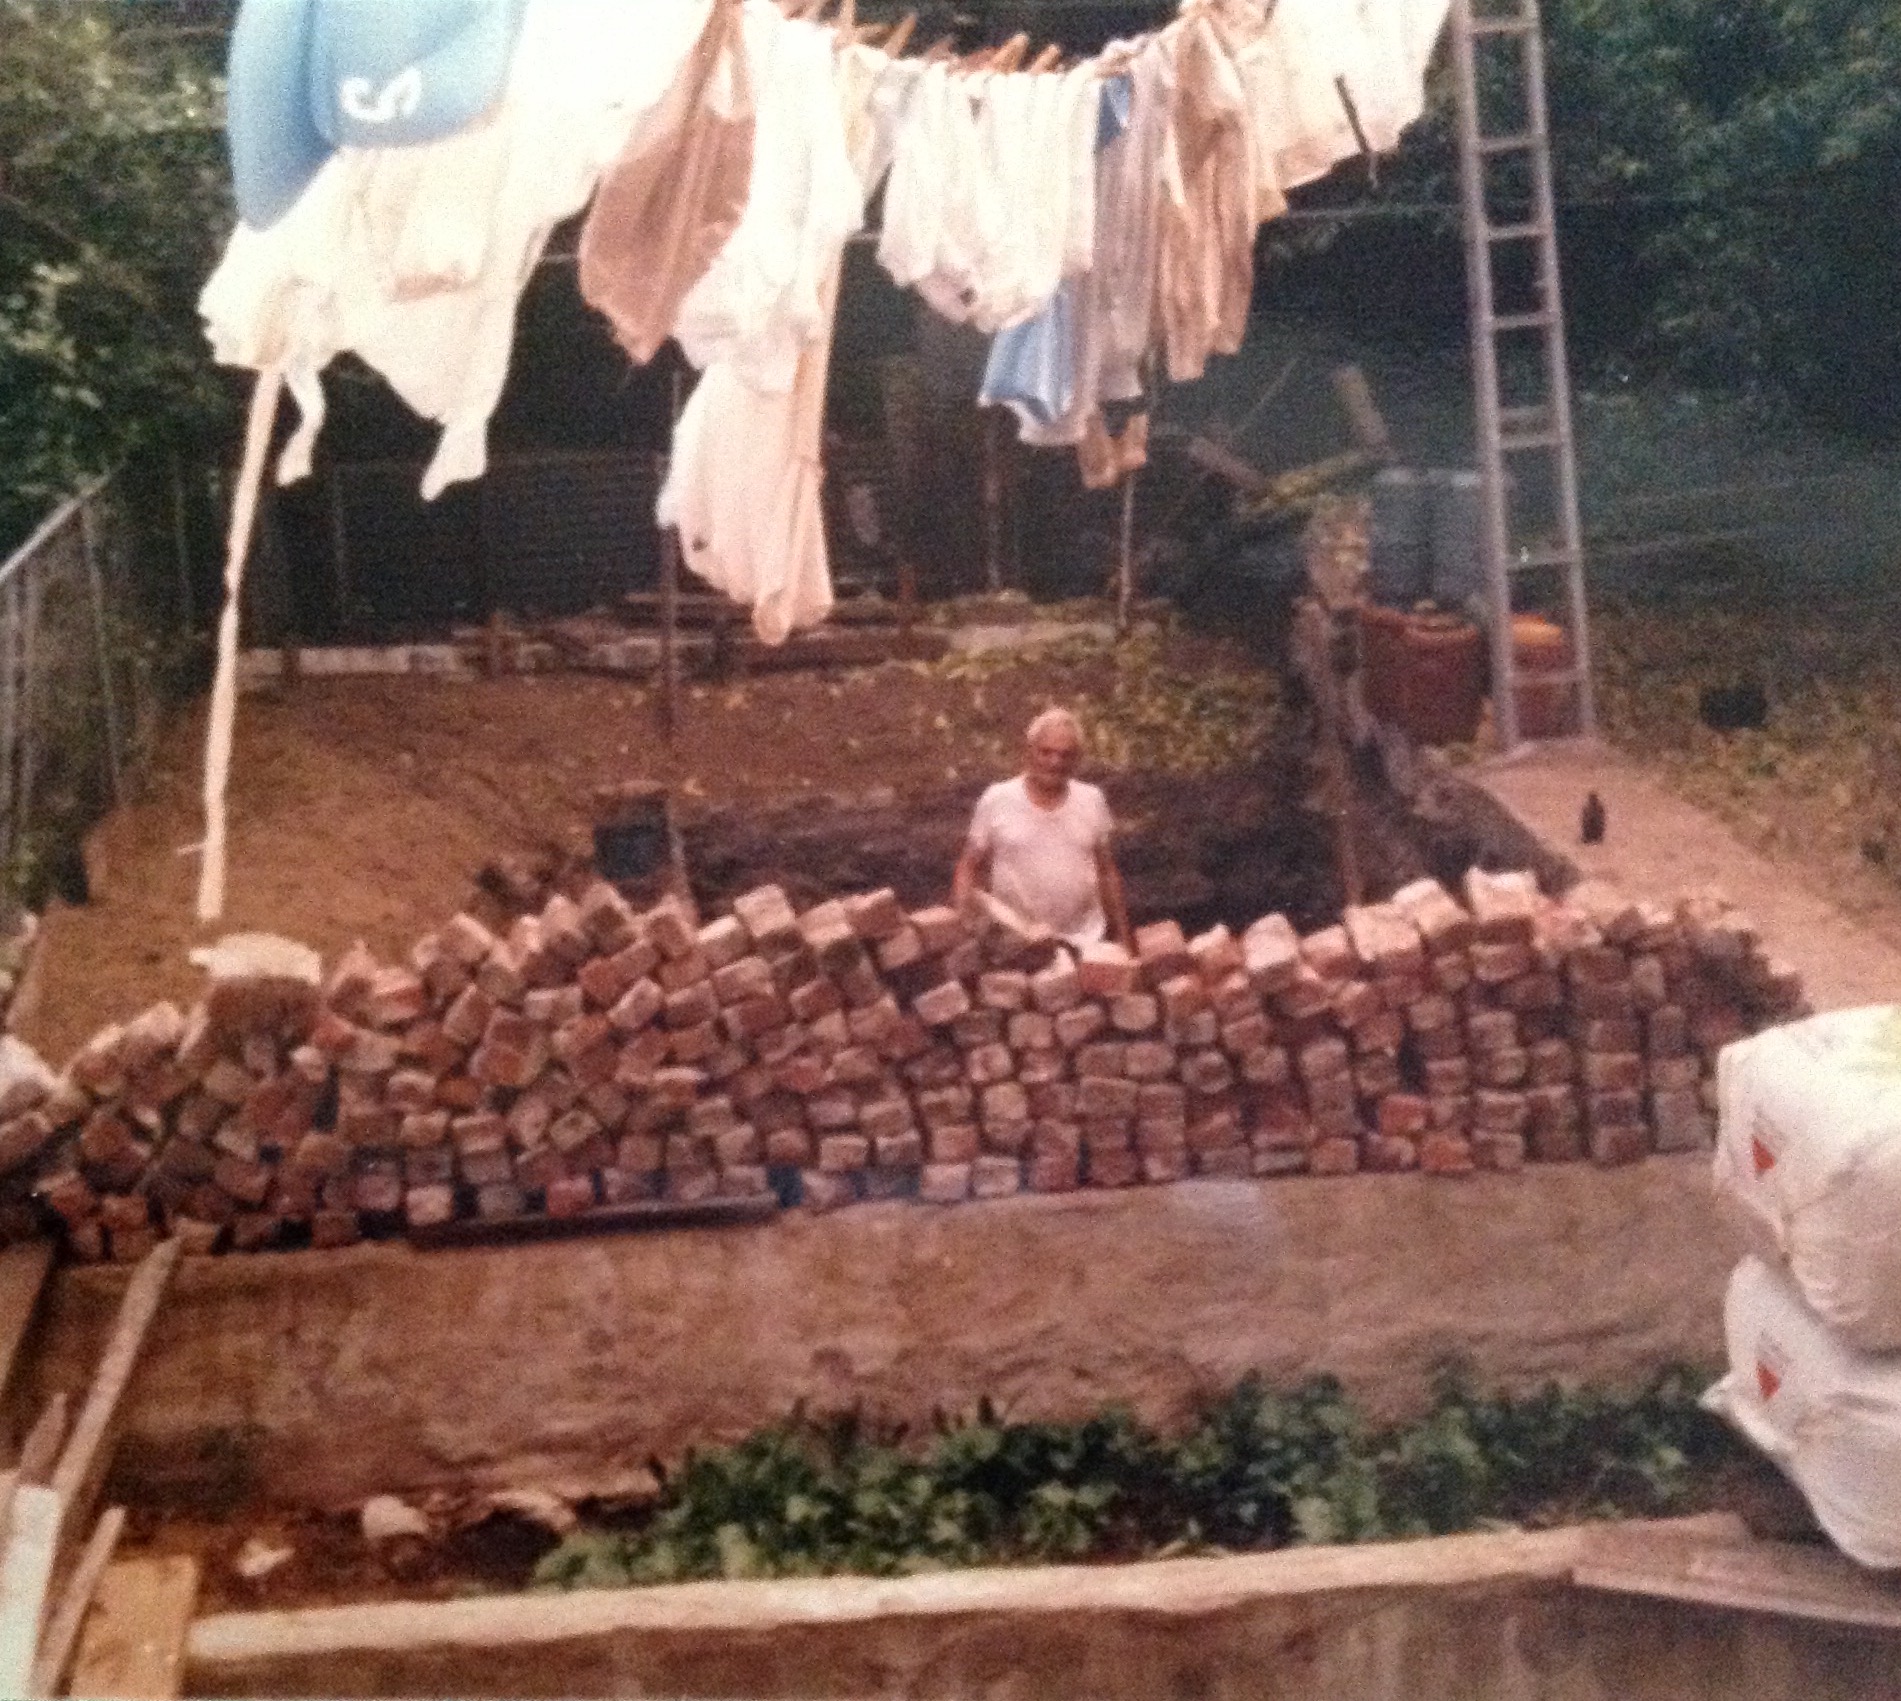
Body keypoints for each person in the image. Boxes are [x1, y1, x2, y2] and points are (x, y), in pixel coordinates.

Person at [952, 707, 1132, 949]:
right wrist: (962, 926)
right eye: (1046, 752)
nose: (1055, 762)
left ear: (1077, 758)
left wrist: (1124, 938)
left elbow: (1106, 872)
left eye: (1065, 755)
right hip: (1015, 944)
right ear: (1029, 752)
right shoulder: (998, 798)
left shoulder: (1092, 799)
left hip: (1083, 940)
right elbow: (968, 867)